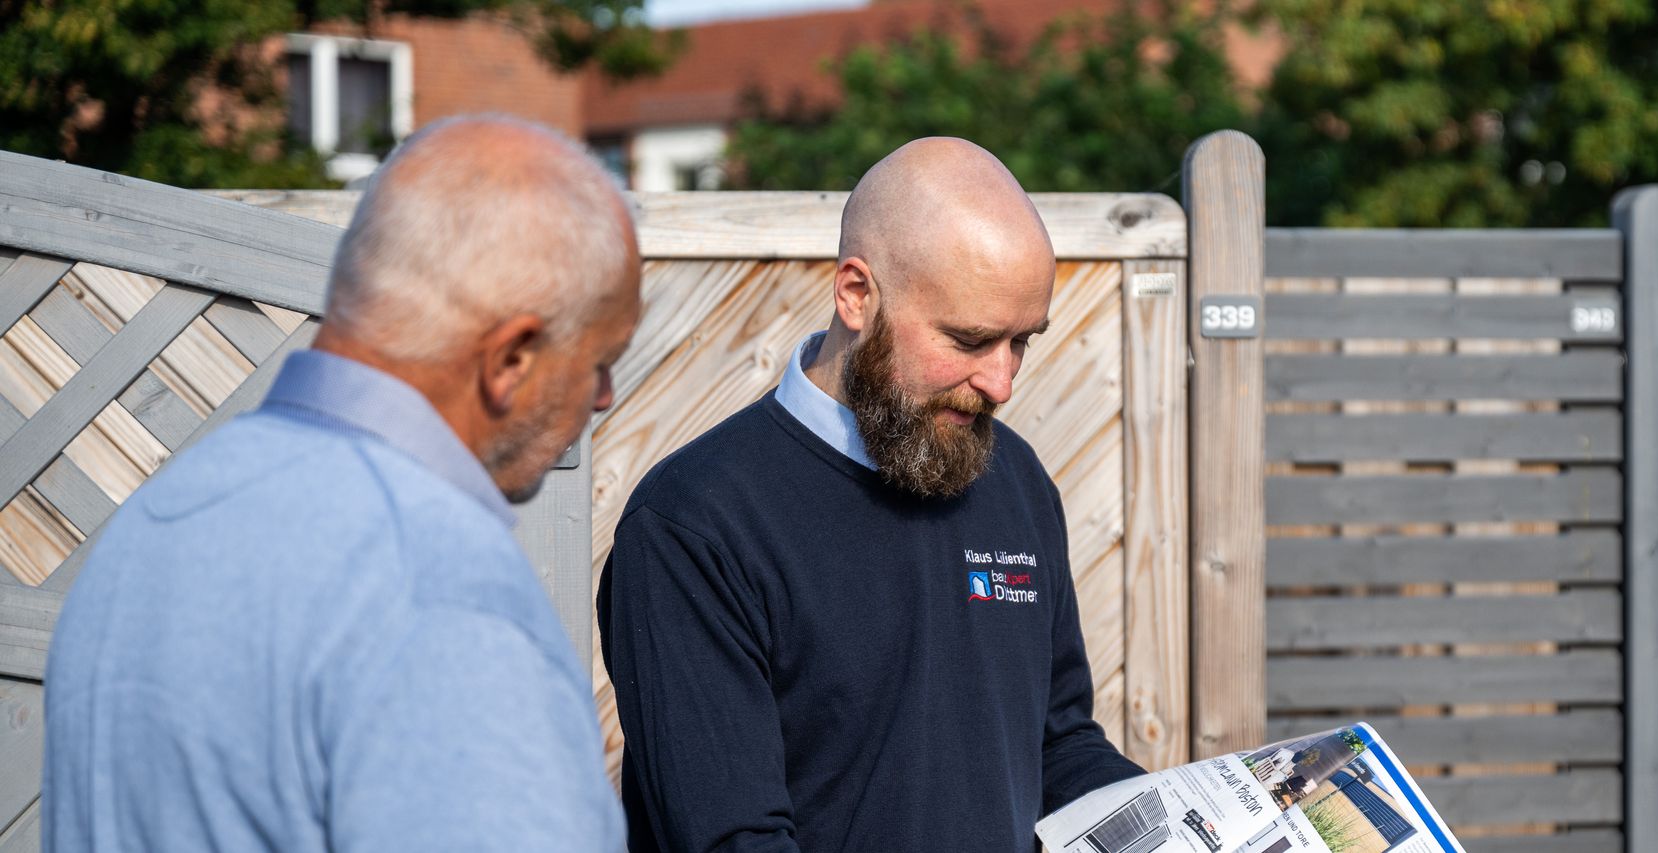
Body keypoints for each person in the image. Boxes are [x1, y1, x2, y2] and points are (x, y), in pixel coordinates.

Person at [41, 115, 640, 851]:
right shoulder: (435, 583)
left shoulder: (158, 518)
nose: (604, 393)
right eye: (599, 359)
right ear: (511, 358)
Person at [599, 137, 1143, 852]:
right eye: (971, 339)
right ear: (856, 294)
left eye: (1022, 342)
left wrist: (1196, 820)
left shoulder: (1016, 480)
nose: (1002, 383)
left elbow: (1059, 747)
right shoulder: (694, 524)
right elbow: (733, 839)